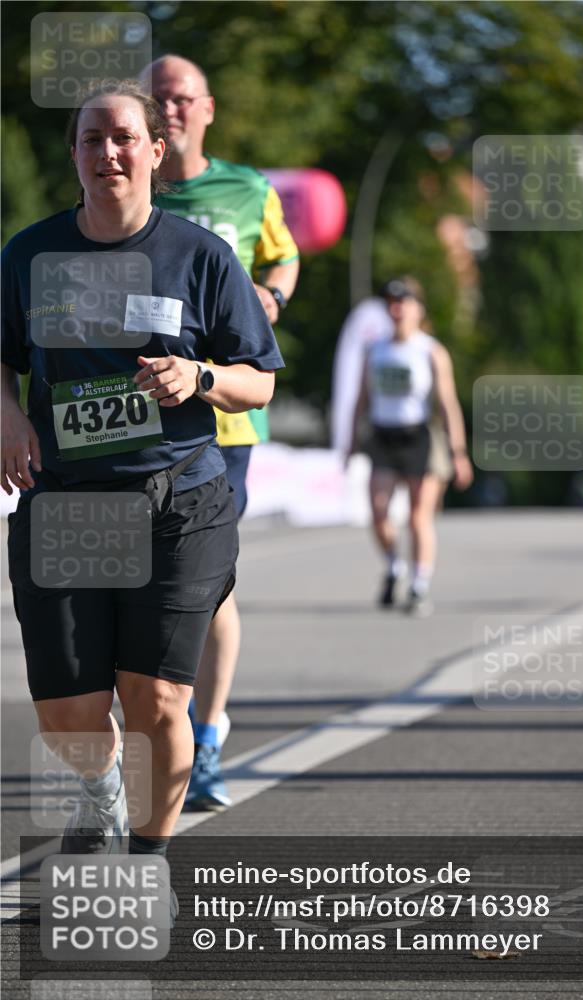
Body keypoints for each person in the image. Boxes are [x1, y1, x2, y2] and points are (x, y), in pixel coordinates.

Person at [0, 83, 283, 915]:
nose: (108, 153)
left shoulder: (201, 255)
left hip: (177, 499)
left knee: (156, 700)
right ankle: (100, 799)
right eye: (92, 139)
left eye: (124, 137)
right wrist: (8, 415)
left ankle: (148, 858)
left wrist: (199, 376)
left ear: (156, 151)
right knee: (70, 716)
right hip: (65, 502)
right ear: (74, 154)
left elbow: (259, 381)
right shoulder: (29, 254)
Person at [138, 55, 299, 811]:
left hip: (224, 418)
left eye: (180, 99)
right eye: (156, 98)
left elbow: (285, 255)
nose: (168, 109)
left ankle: (203, 739)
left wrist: (271, 298)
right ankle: (140, 737)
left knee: (206, 586)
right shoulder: (127, 183)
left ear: (206, 109)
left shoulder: (248, 188)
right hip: (135, 418)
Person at [347, 277, 473, 615]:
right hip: (383, 436)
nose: (397, 309)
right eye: (392, 302)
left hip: (419, 437)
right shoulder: (375, 349)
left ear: (419, 308)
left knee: (419, 517)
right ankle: (394, 566)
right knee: (378, 512)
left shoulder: (430, 350)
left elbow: (447, 403)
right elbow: (361, 398)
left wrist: (459, 453)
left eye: (404, 302)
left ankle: (419, 585)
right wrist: (351, 442)